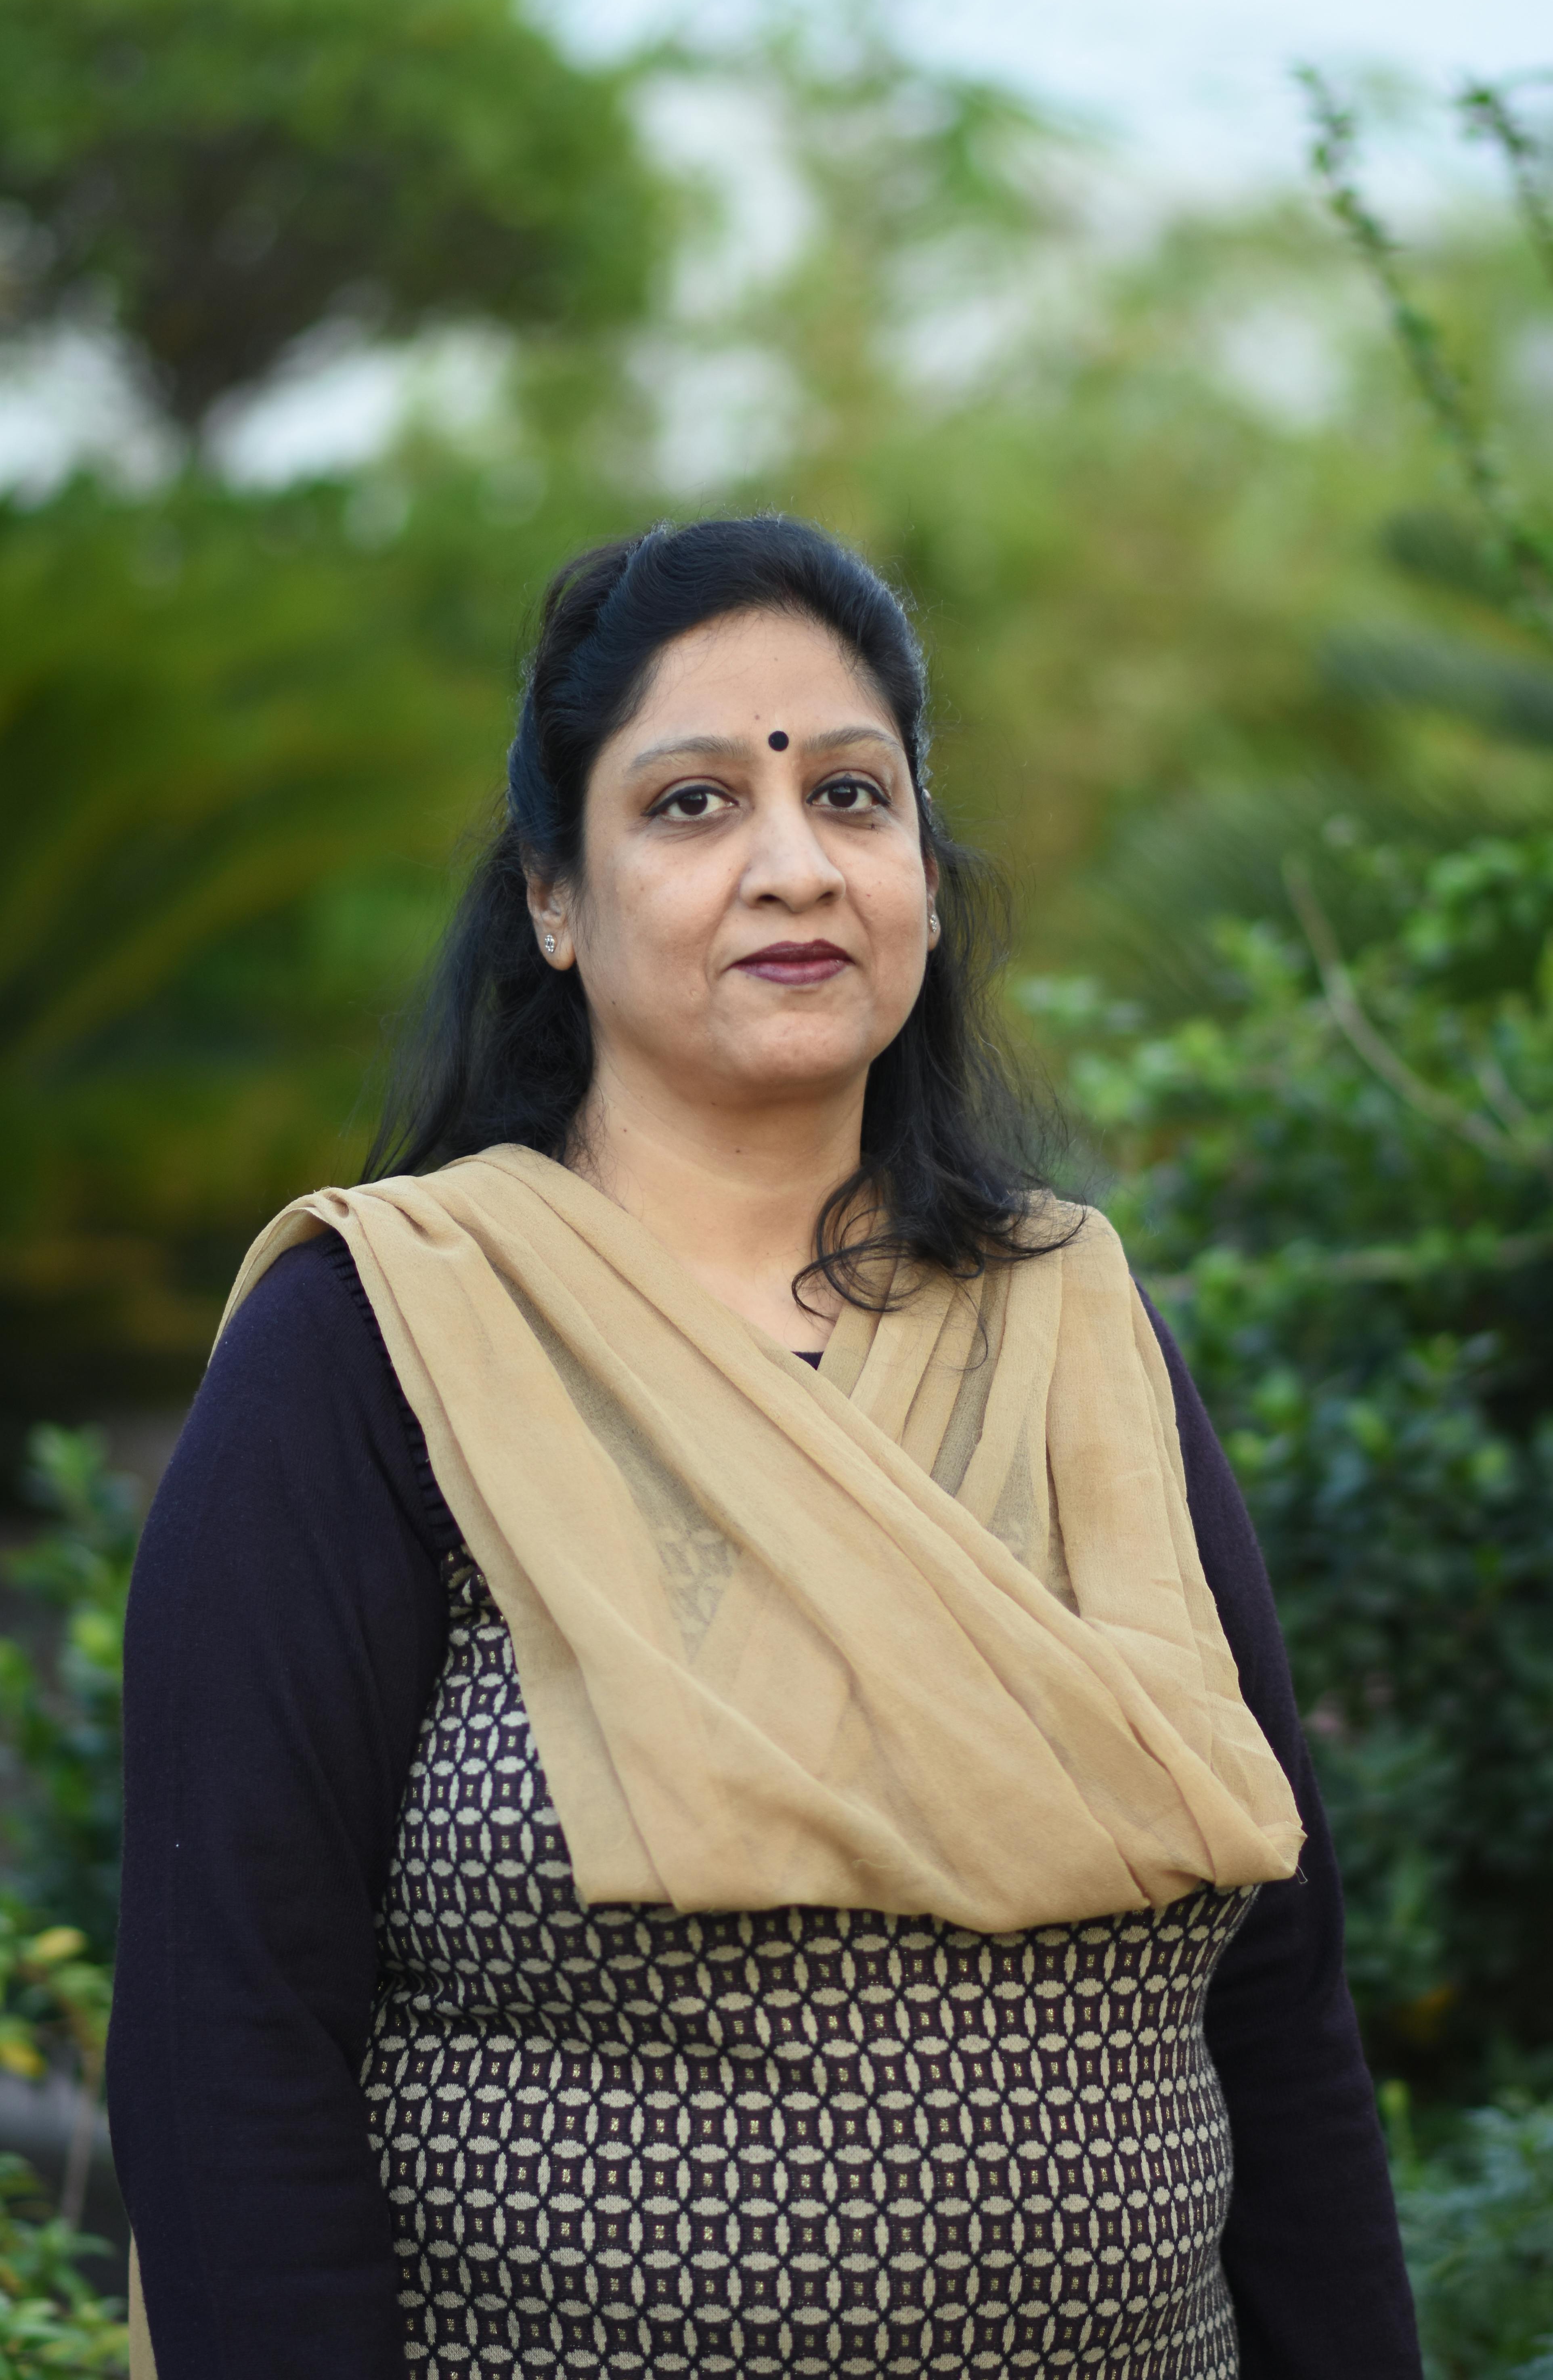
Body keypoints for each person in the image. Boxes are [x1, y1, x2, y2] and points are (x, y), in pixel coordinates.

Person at [107, 516, 1421, 2380]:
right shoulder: (384, 1340)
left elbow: (1277, 2007)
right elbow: (222, 2030)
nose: (792, 865)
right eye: (694, 805)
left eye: (854, 799)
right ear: (553, 900)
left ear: (927, 885)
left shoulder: (1073, 1329)